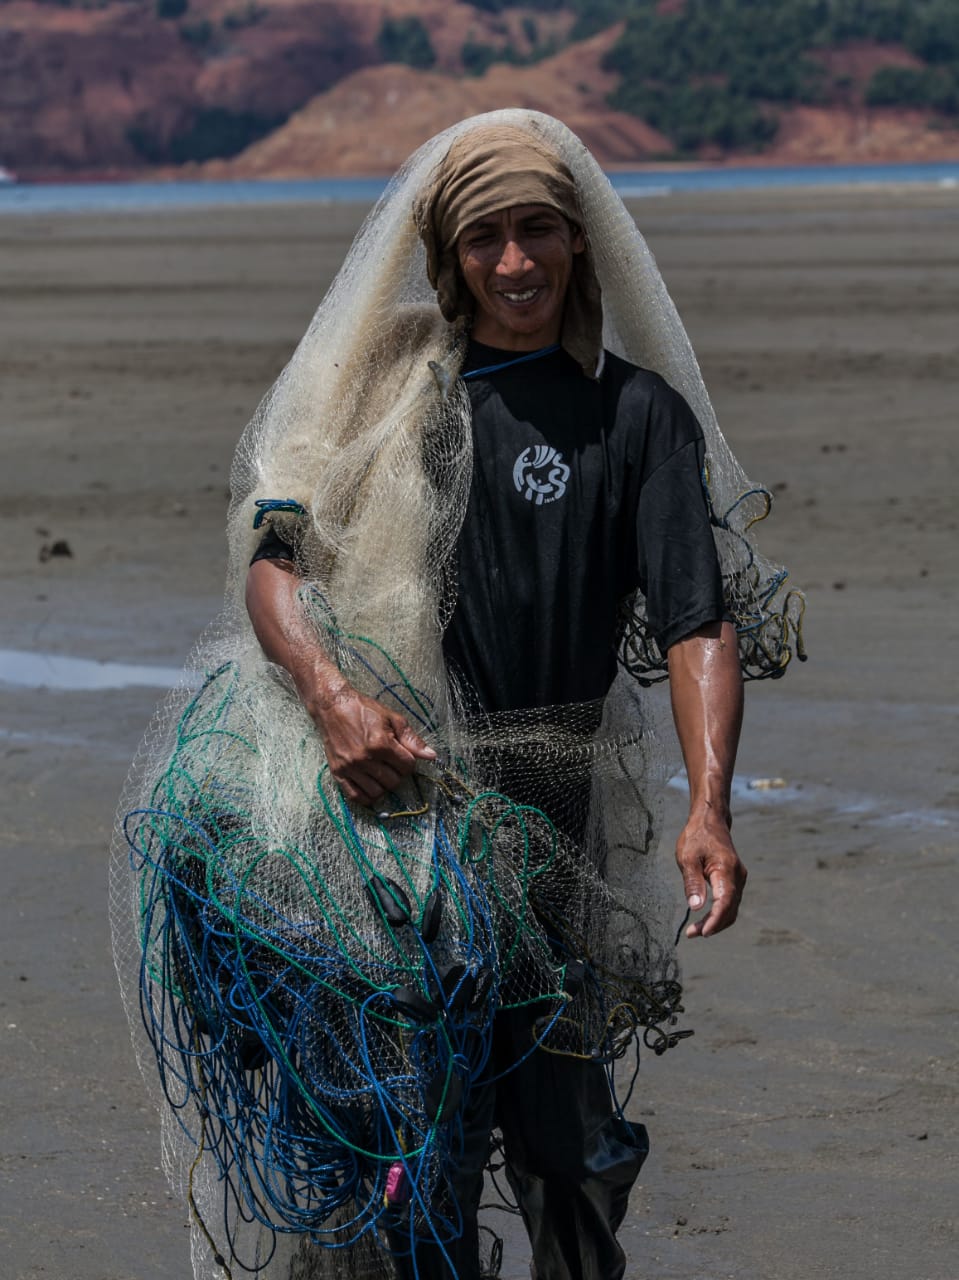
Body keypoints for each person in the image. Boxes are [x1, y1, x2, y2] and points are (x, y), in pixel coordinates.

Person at [113, 110, 803, 1280]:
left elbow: (694, 618)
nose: (516, 261)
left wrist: (708, 805)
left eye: (538, 229)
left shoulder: (634, 416)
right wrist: (333, 701)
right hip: (396, 821)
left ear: (581, 243)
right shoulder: (388, 394)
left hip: (557, 836)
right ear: (449, 253)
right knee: (408, 1140)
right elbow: (274, 559)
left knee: (567, 1145)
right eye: (485, 236)